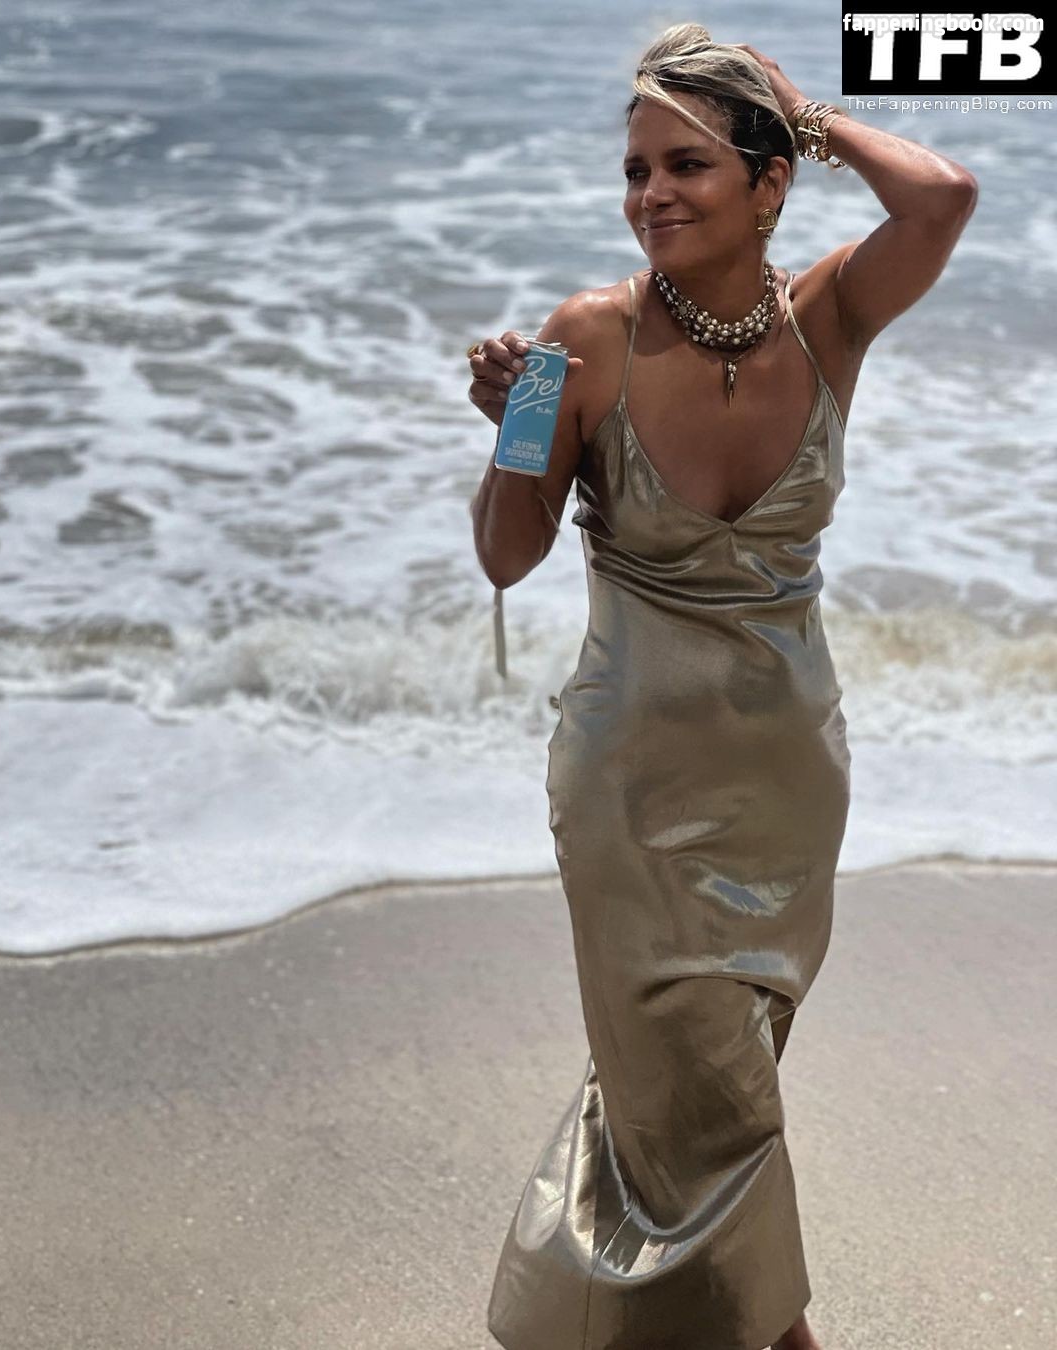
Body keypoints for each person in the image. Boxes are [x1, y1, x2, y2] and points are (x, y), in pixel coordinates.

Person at [466, 23, 977, 1350]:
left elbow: (941, 197)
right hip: (633, 790)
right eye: (635, 170)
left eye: (685, 164)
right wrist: (519, 427)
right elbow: (509, 556)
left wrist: (810, 112)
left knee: (709, 1104)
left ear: (770, 182)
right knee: (695, 1114)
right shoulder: (587, 338)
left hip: (784, 788)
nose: (651, 194)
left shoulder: (831, 316)